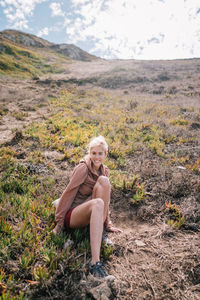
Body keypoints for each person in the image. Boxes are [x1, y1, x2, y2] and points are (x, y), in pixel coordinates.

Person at [52, 135, 122, 278]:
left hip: (90, 210)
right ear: (89, 153)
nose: (97, 157)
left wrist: (107, 223)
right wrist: (59, 224)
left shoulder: (104, 170)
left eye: (100, 153)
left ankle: (100, 229)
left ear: (105, 154)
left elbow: (105, 199)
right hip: (73, 214)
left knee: (104, 182)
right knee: (98, 203)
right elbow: (68, 194)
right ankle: (95, 263)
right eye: (93, 153)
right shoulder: (82, 168)